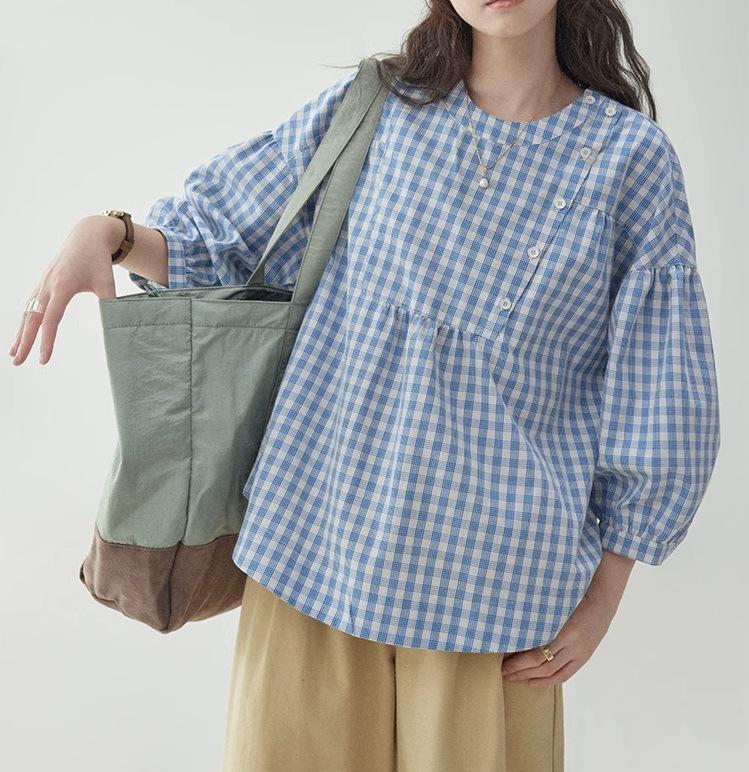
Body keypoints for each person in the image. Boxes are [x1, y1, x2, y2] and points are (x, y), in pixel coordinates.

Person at [9, 0, 721, 769]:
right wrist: (106, 233)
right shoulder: (376, 107)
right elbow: (223, 245)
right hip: (311, 554)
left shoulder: (628, 160)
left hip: (493, 592)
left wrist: (603, 597)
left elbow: (661, 383)